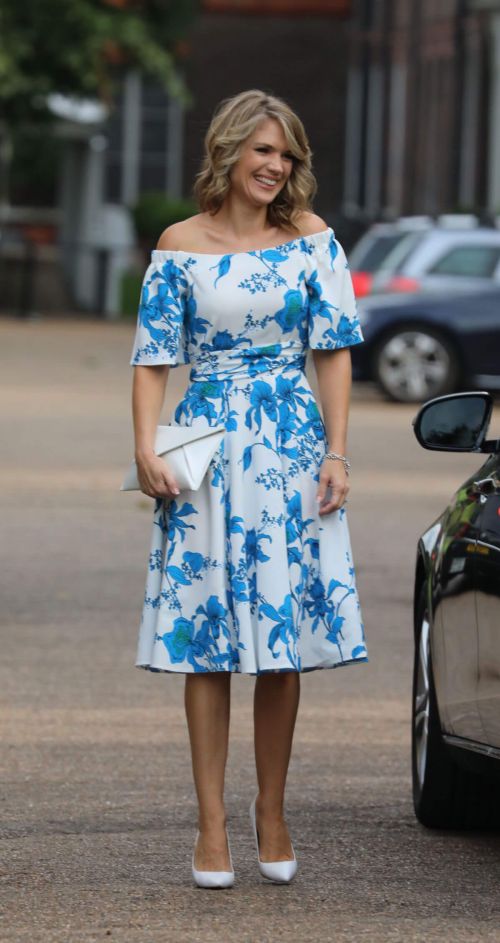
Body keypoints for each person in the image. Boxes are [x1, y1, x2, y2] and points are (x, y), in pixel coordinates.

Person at [129, 89, 368, 888]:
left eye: (288, 154)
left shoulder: (313, 242)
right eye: (263, 150)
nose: (276, 166)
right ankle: (209, 823)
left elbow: (333, 350)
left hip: (290, 441)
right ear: (229, 150)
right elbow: (154, 357)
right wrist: (145, 448)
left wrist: (337, 452)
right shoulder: (180, 244)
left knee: (282, 641)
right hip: (201, 437)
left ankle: (272, 807)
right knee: (207, 640)